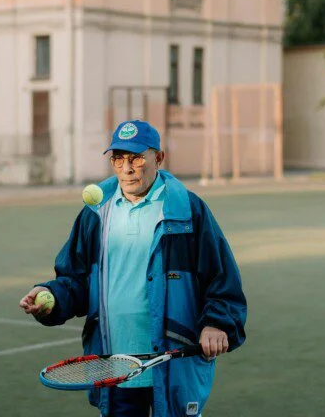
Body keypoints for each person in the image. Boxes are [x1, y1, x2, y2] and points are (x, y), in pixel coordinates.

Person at [20, 120, 247, 417]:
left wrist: (218, 322)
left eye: (136, 158)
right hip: (114, 365)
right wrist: (51, 296)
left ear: (159, 158)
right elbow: (74, 279)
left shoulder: (187, 210)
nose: (126, 168)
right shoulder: (96, 214)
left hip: (173, 362)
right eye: (118, 158)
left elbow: (222, 279)